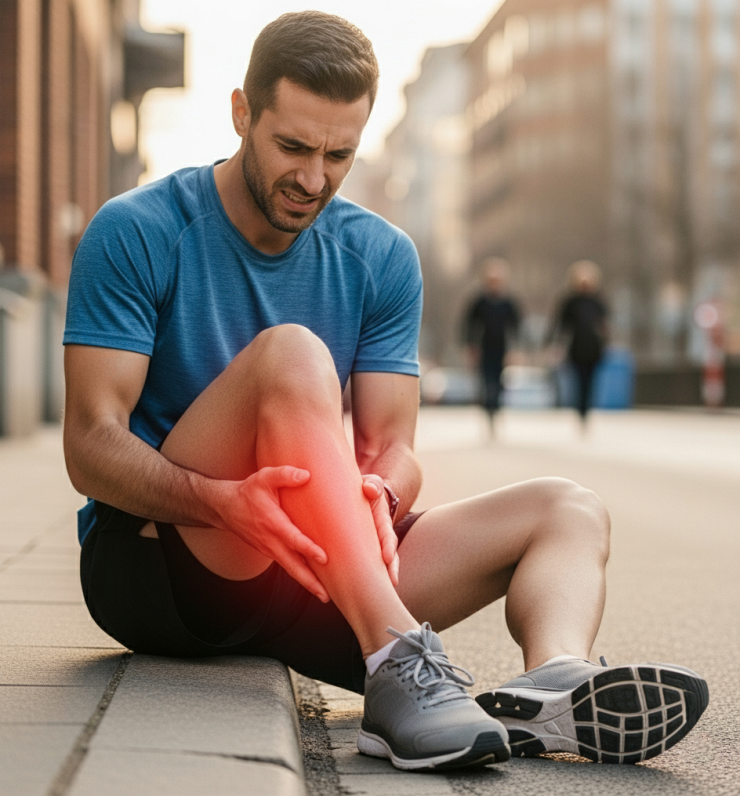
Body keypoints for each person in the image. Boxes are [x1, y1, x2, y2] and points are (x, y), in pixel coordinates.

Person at [62, 11, 707, 772]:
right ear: (242, 112)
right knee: (293, 354)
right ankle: (398, 657)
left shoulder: (381, 256)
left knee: (568, 508)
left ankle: (555, 684)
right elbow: (90, 447)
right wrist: (223, 503)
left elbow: (394, 447)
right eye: (292, 147)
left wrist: (378, 491)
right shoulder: (137, 229)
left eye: (340, 154)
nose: (313, 179)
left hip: (315, 571)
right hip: (170, 563)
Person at [463, 258, 521, 433]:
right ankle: (488, 412)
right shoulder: (479, 302)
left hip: (502, 349)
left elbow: (516, 328)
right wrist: (470, 346)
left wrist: (515, 350)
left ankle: (496, 410)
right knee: (486, 382)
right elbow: (469, 326)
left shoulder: (508, 303)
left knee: (499, 382)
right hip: (484, 348)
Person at [551, 260, 609, 426]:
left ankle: (586, 409)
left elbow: (604, 324)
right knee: (577, 380)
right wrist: (556, 344)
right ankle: (579, 409)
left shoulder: (598, 301)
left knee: (590, 381)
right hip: (576, 348)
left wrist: (606, 342)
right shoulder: (570, 302)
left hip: (593, 348)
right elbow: (561, 325)